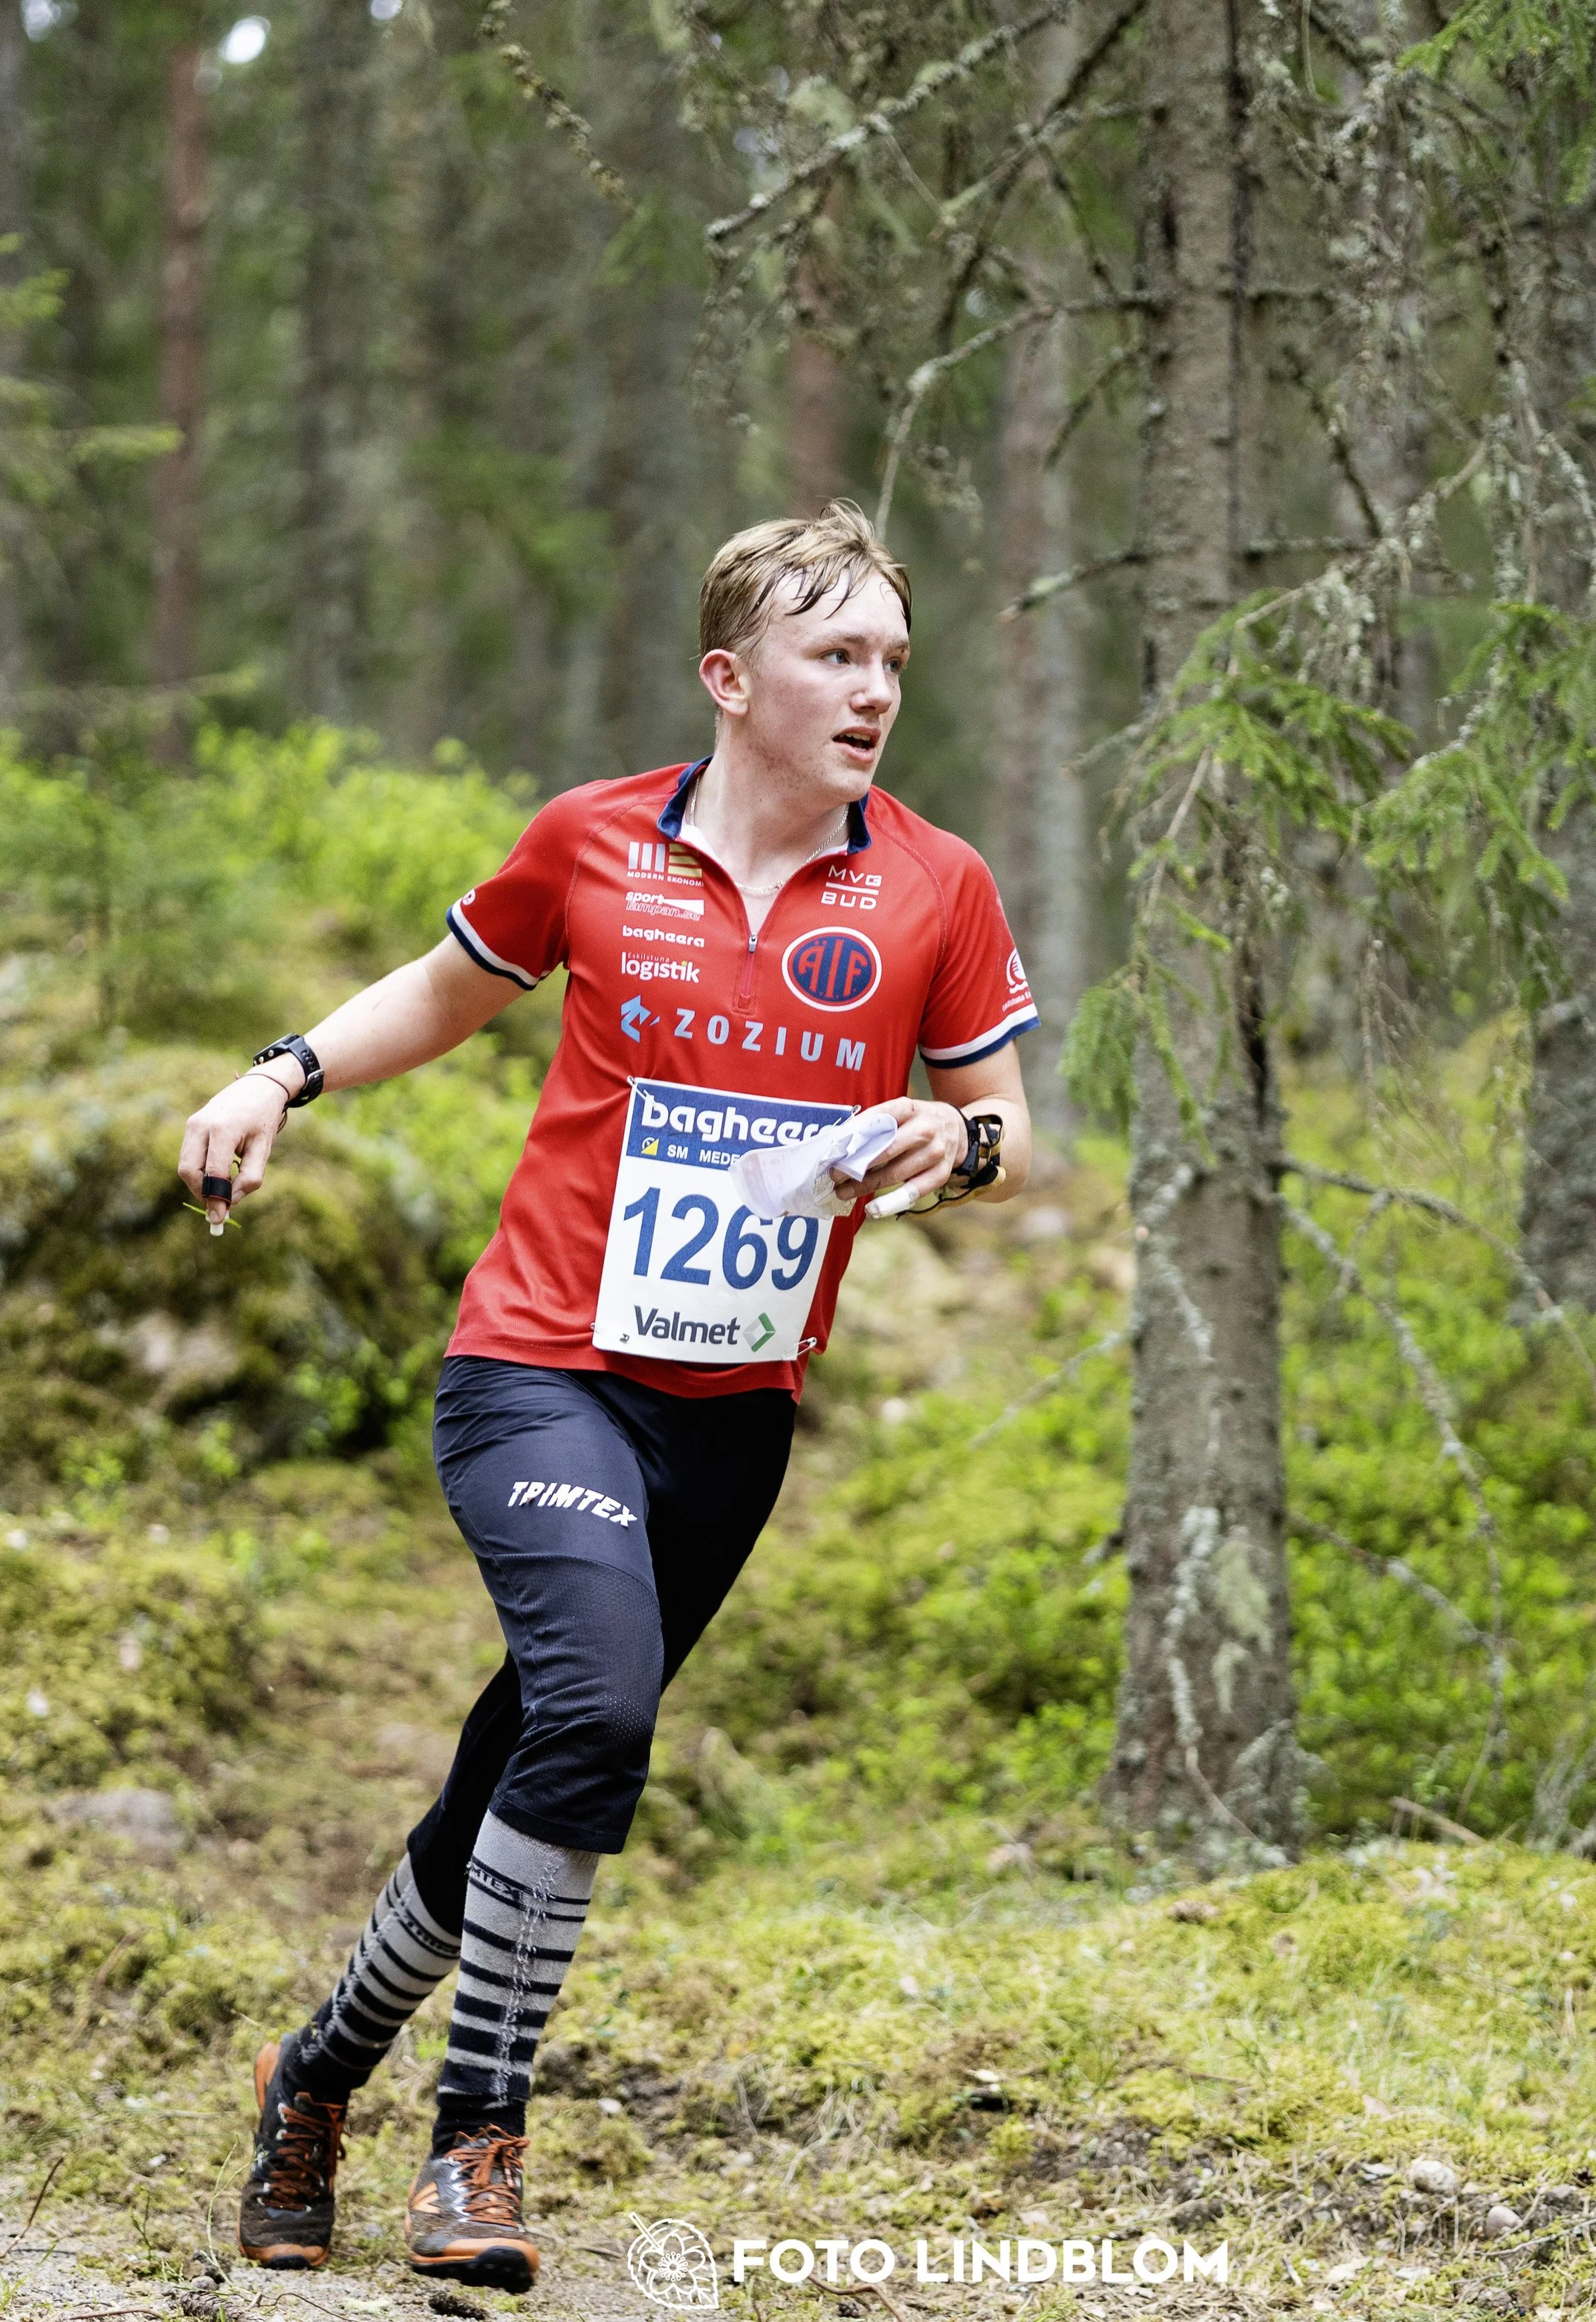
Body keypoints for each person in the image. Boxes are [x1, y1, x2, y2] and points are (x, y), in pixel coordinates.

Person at [177, 502, 1037, 2290]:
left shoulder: (937, 884)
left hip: (731, 1412)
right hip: (539, 1366)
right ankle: (473, 2146)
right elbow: (442, 988)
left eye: (890, 657)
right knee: (603, 1703)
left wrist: (941, 1143)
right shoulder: (590, 843)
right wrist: (282, 1075)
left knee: (531, 1747)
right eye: (834, 655)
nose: (874, 688)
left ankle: (312, 2073)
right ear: (732, 678)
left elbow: (1005, 1126)